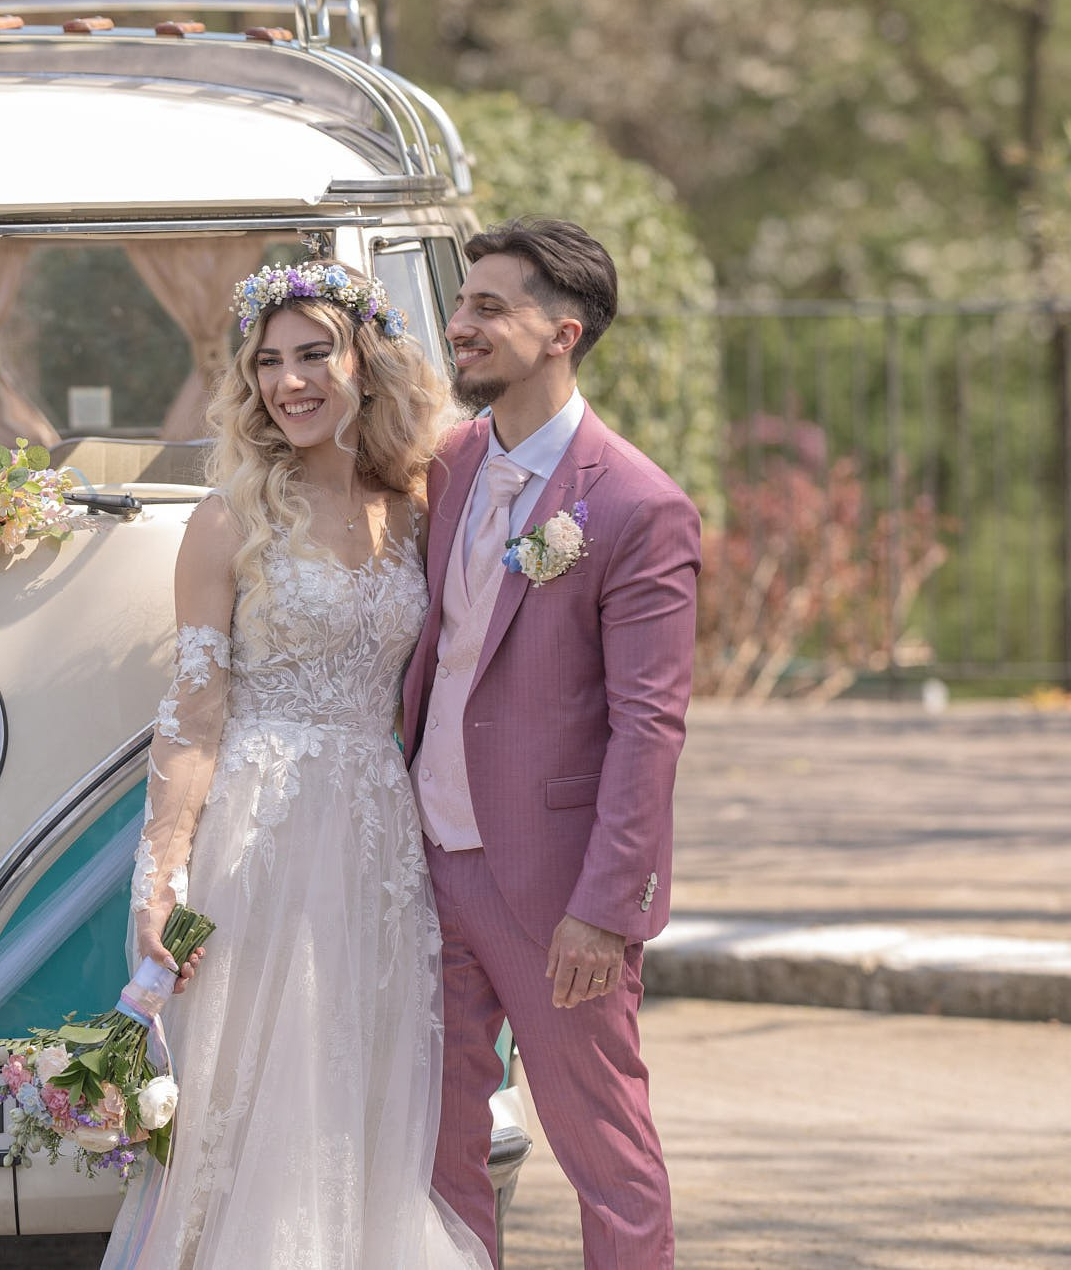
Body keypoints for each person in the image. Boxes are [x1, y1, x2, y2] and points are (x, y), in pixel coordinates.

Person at [101, 260, 490, 1270]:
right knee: (252, 1097)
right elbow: (192, 717)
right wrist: (162, 879)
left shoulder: (414, 508)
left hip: (377, 846)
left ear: (365, 361)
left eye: (313, 353)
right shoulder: (227, 519)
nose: (289, 381)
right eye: (268, 363)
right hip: (260, 835)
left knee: (359, 1083)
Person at [401, 217, 700, 1269]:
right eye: (462, 303)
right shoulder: (443, 465)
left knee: (601, 1154)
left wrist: (603, 910)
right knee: (435, 1147)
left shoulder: (634, 505)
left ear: (559, 332)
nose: (460, 325)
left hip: (556, 889)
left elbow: (647, 724)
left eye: (489, 307)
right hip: (426, 866)